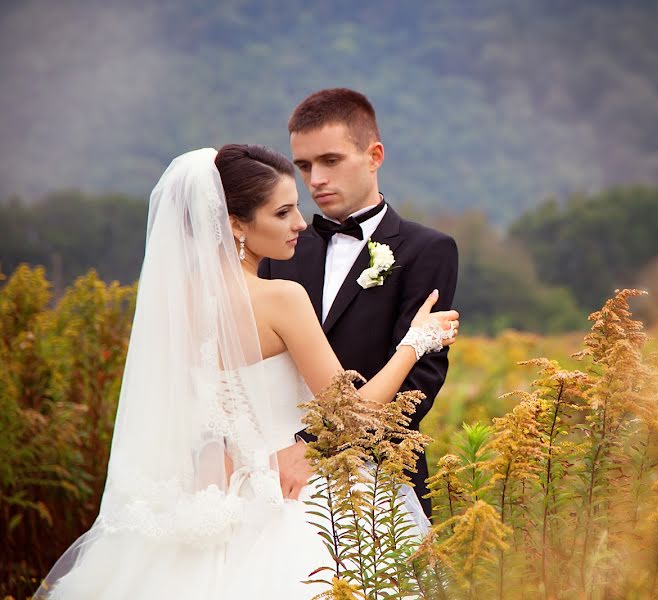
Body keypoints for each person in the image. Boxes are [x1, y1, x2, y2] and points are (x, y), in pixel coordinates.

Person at [36, 145, 459, 599]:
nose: (300, 222)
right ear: (235, 224)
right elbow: (353, 416)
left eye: (296, 207)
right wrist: (414, 344)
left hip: (212, 502)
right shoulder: (282, 298)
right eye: (283, 213)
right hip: (296, 501)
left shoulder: (175, 306)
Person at [260, 88, 459, 518]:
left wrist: (309, 448)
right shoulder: (279, 250)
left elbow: (415, 391)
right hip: (277, 482)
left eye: (330, 161)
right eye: (305, 166)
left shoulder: (428, 251)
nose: (315, 180)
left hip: (382, 484)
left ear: (374, 156)